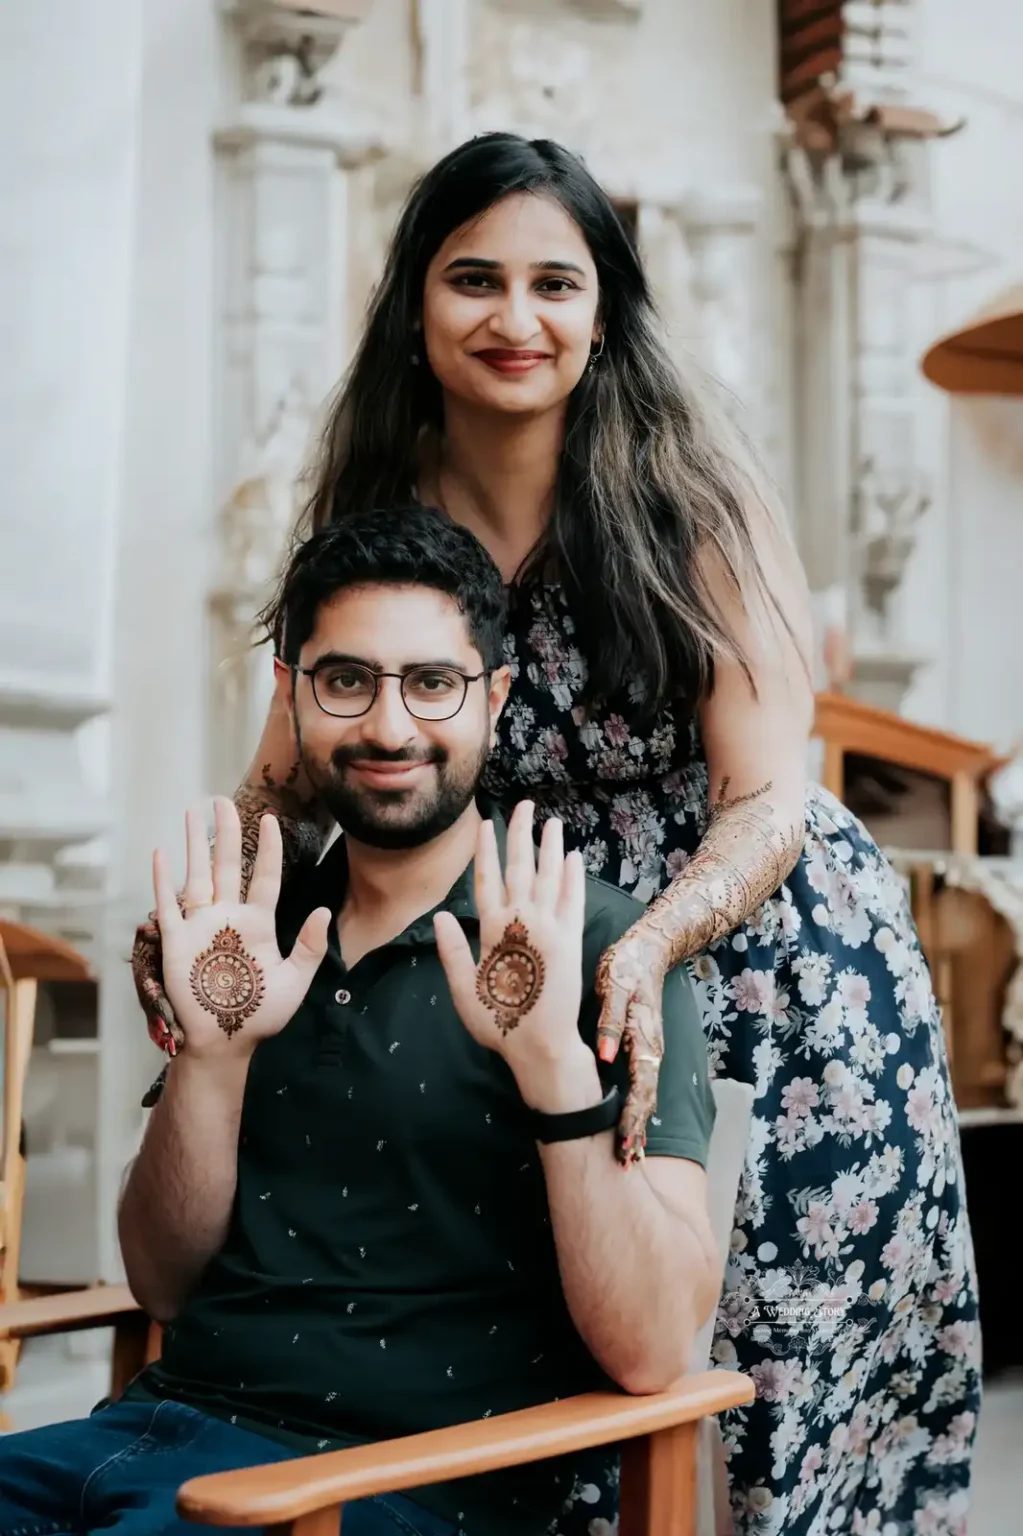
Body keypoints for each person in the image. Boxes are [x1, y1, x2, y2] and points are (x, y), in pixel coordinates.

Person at [133, 134, 980, 1534]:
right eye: (473, 279)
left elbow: (768, 792)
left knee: (778, 1389)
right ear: (414, 302)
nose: (513, 320)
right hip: (529, 955)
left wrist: (645, 948)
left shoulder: (686, 493)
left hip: (758, 953)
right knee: (552, 1382)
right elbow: (288, 775)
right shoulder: (373, 504)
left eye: (553, 283)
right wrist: (194, 905)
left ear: (603, 309)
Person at [0, 509, 718, 1536]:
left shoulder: (594, 945)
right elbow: (161, 1280)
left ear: (494, 698)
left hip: (384, 1492)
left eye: (432, 683)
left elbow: (652, 1350)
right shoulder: (254, 929)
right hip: (147, 1439)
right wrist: (213, 1056)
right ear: (293, 697)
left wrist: (554, 1064)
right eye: (347, 681)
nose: (389, 727)